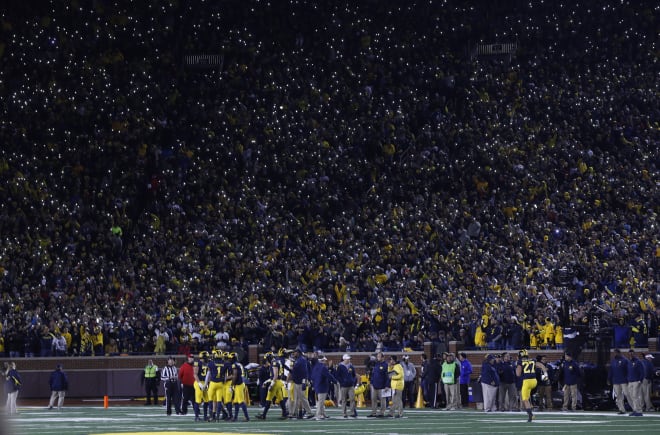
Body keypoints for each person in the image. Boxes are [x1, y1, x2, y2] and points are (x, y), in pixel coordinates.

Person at [516, 349, 547, 423]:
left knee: (525, 399)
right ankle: (531, 405)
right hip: (534, 381)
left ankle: (531, 415)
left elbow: (518, 374)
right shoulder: (533, 360)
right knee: (528, 396)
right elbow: (542, 366)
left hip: (527, 381)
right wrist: (545, 376)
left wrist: (517, 367)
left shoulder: (520, 362)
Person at [310, 355, 335, 420]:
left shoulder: (315, 367)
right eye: (324, 360)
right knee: (321, 402)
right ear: (322, 361)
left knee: (321, 401)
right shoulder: (323, 367)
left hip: (317, 385)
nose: (325, 361)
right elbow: (328, 375)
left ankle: (323, 414)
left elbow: (312, 376)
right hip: (322, 386)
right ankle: (318, 415)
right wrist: (335, 381)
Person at [229, 351, 251, 422]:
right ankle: (235, 417)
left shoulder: (234, 365)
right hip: (240, 383)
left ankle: (247, 417)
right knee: (236, 402)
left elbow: (235, 376)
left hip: (239, 384)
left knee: (241, 401)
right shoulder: (239, 364)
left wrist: (231, 385)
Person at [336, 353, 358, 418]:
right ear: (344, 359)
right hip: (344, 386)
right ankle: (344, 413)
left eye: (349, 359)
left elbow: (354, 375)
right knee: (344, 400)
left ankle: (352, 412)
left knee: (352, 399)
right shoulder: (340, 366)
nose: (349, 360)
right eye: (348, 359)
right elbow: (338, 376)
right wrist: (342, 382)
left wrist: (353, 381)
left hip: (351, 385)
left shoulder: (351, 366)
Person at [607, 349, 629, 415]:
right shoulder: (613, 361)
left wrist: (628, 379)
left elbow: (628, 370)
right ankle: (622, 409)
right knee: (618, 396)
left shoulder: (625, 360)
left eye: (616, 353)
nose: (614, 354)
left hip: (624, 381)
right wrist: (608, 378)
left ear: (619, 353)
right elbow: (611, 371)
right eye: (614, 353)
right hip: (615, 381)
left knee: (627, 394)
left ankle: (635, 408)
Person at [368, 351, 389, 417]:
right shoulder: (376, 364)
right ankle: (373, 412)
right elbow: (373, 374)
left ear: (383, 357)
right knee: (373, 399)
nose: (377, 358)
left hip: (382, 386)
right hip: (374, 385)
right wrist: (371, 382)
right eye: (377, 356)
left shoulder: (386, 365)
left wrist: (387, 385)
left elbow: (387, 377)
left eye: (379, 356)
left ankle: (382, 412)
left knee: (382, 400)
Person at [193, 351, 210, 421]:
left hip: (205, 383)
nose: (207, 358)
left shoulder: (208, 363)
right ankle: (196, 417)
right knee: (198, 400)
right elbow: (195, 374)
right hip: (198, 382)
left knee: (207, 400)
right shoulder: (198, 363)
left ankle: (205, 416)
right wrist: (199, 383)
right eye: (206, 357)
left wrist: (206, 383)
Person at [627, 349, 644, 416]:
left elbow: (642, 372)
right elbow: (628, 372)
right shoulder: (629, 362)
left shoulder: (638, 362)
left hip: (636, 381)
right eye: (630, 354)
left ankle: (639, 411)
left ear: (634, 354)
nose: (631, 355)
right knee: (631, 396)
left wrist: (640, 380)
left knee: (635, 396)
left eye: (632, 353)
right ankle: (635, 410)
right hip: (630, 381)